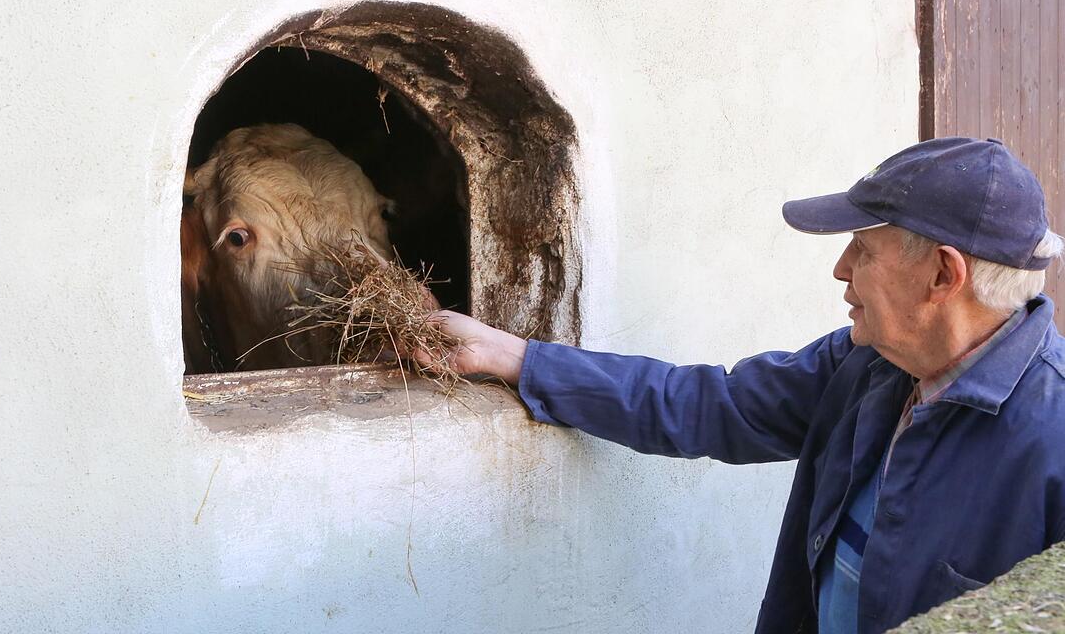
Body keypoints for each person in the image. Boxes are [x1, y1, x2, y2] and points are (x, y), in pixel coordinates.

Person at [422, 137, 1065, 633]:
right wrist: (519, 358)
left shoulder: (1051, 441)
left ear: (942, 275)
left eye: (864, 251)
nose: (841, 270)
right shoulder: (871, 366)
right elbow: (713, 406)